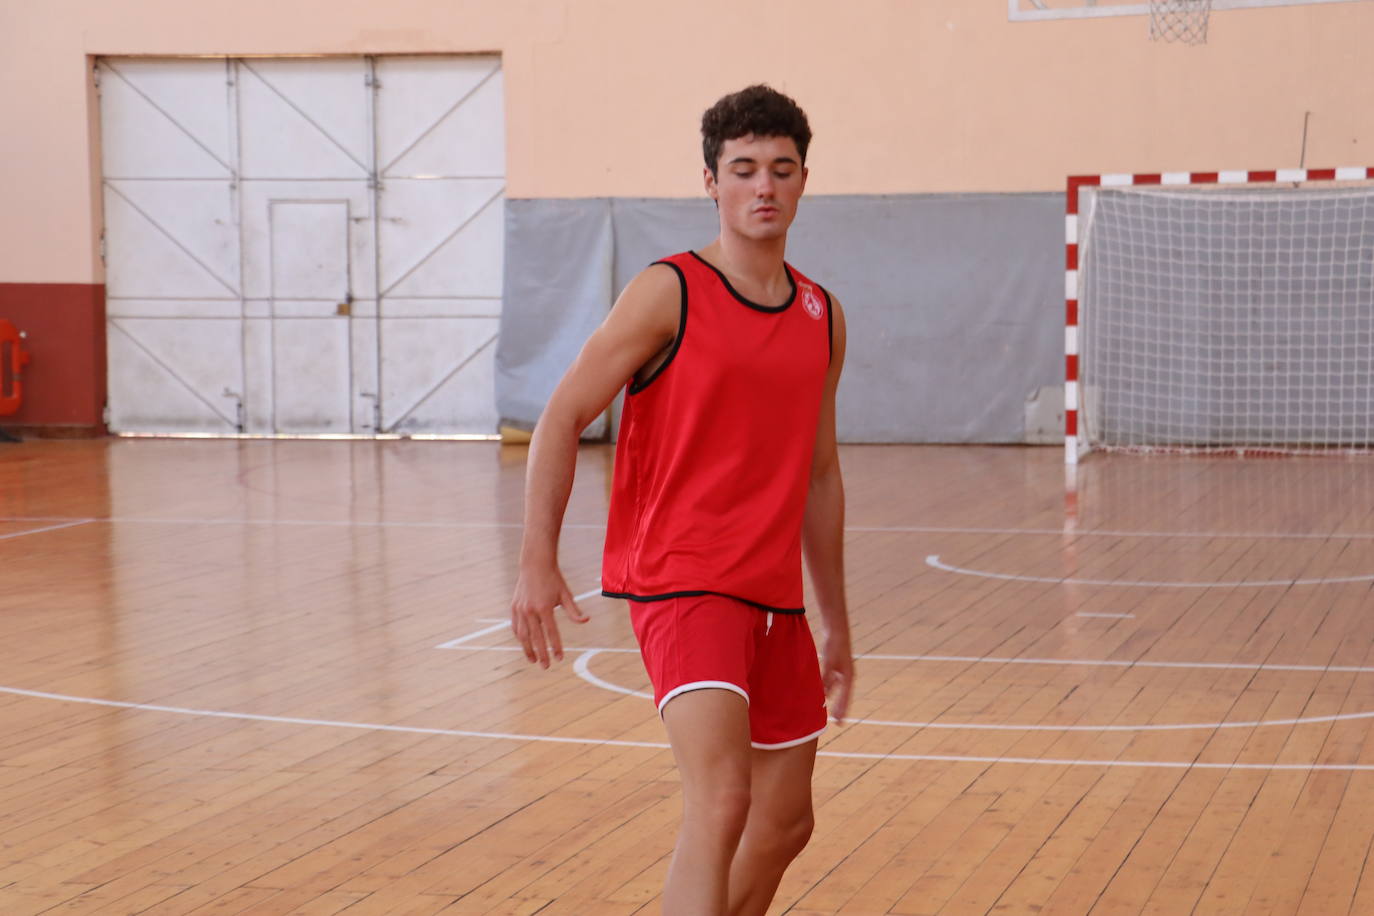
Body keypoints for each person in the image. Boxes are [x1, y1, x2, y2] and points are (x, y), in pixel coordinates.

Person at [510, 83, 852, 916]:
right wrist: (536, 559)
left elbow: (819, 475)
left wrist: (835, 620)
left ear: (804, 181)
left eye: (781, 169)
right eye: (744, 169)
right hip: (683, 580)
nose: (763, 186)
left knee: (785, 820)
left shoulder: (822, 315)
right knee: (723, 800)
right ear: (711, 181)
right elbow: (562, 415)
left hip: (775, 597)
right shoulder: (672, 290)